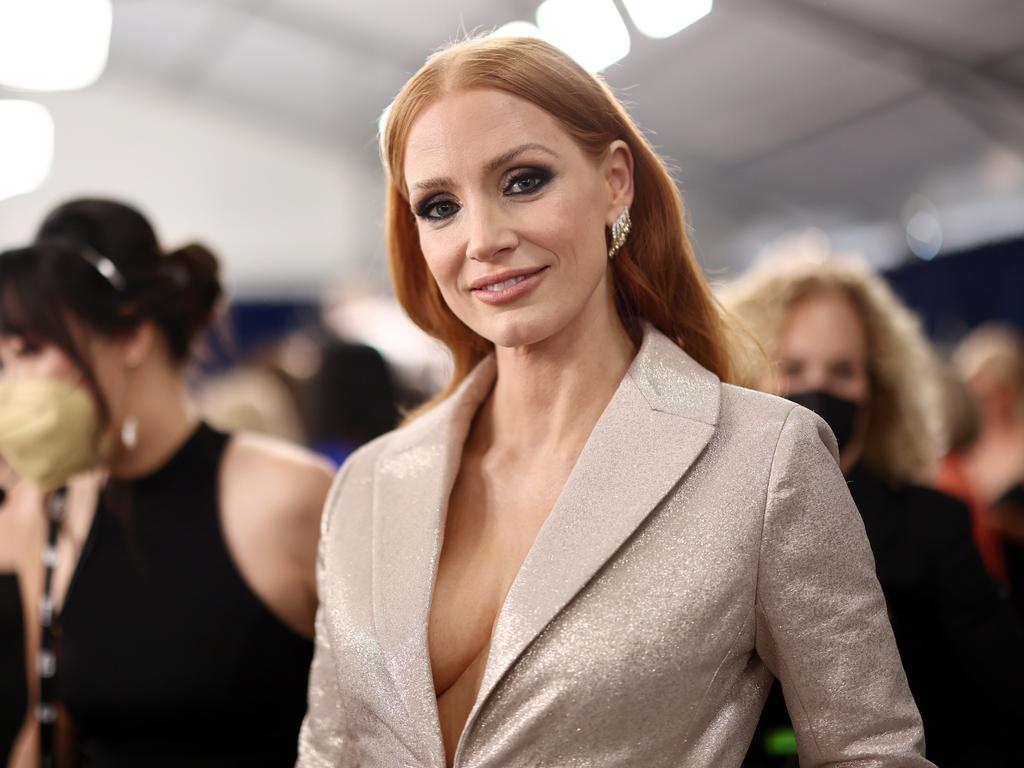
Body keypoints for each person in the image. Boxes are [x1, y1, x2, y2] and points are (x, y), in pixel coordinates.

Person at [297, 36, 931, 768]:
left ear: (615, 182)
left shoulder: (763, 458)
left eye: (523, 181)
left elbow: (871, 749)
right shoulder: (368, 487)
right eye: (440, 206)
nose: (483, 238)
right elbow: (328, 751)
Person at [0, 199, 333, 766]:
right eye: (3, 363)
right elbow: (50, 722)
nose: (14, 385)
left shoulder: (286, 495)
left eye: (29, 351)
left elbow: (384, 718)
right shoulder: (51, 510)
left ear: (131, 334)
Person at [723, 256, 1024, 768]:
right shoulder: (710, 528)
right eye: (791, 368)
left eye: (843, 370)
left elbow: (1005, 703)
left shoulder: (934, 528)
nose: (817, 390)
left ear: (880, 391)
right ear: (744, 377)